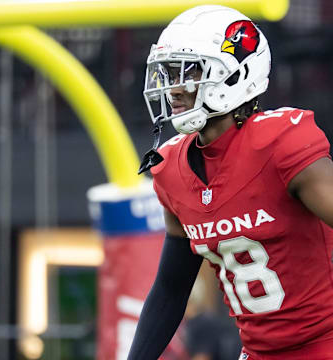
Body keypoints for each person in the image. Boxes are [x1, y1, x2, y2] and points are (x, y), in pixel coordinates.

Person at [128, 4, 333, 360]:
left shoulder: (281, 144)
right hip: (257, 353)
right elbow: (170, 290)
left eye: (187, 71)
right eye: (168, 73)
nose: (173, 89)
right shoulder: (171, 169)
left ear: (234, 75)